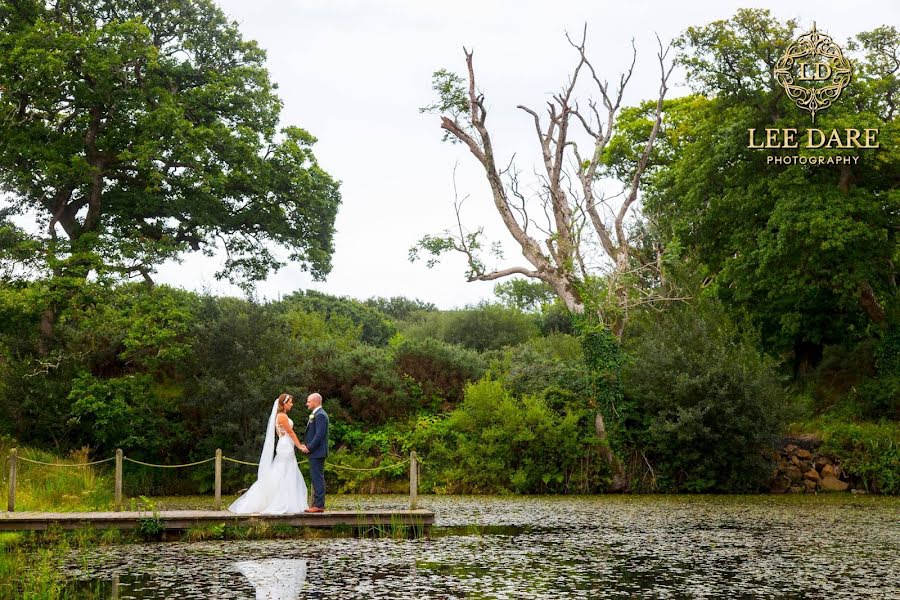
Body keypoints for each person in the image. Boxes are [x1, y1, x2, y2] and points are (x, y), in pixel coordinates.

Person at [228, 393, 309, 514]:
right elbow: (290, 432)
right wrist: (299, 446)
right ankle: (280, 501)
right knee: (284, 471)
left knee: (287, 471)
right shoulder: (281, 416)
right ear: (284, 404)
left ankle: (288, 500)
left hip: (286, 444)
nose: (292, 404)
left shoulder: (282, 415)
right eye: (290, 402)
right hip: (286, 445)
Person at [300, 392, 329, 513]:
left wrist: (309, 447)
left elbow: (319, 435)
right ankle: (317, 504)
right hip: (315, 452)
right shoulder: (316, 414)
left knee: (317, 478)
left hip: (317, 452)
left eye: (308, 401)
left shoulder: (320, 415)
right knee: (316, 477)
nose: (307, 403)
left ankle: (318, 505)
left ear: (316, 402)